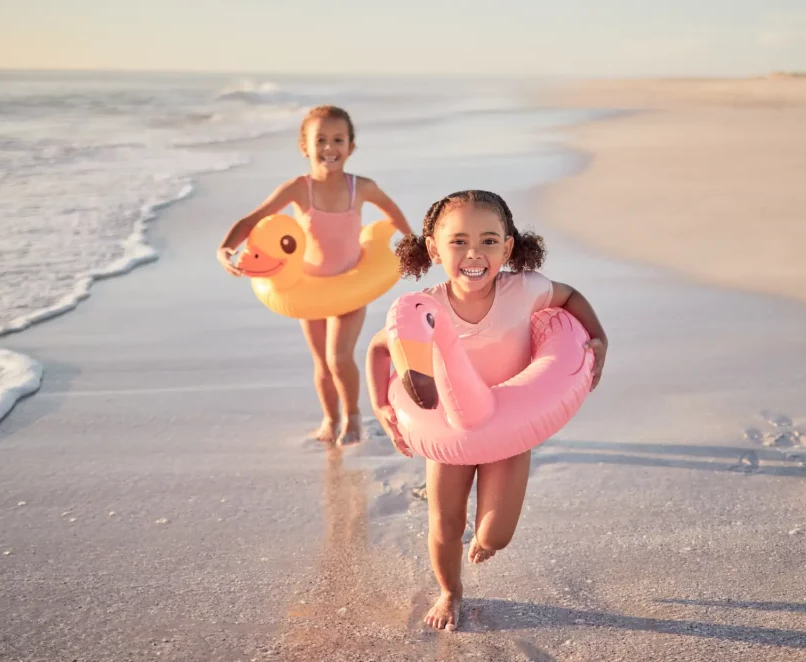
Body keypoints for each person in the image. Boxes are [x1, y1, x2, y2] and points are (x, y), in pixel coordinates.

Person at [364, 190, 608, 631]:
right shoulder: (424, 309)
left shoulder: (525, 290)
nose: (474, 253)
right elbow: (380, 349)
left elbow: (570, 298)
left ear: (508, 248)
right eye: (458, 241)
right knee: (445, 521)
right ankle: (449, 592)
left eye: (489, 241)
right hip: (448, 431)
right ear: (433, 248)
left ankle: (485, 542)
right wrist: (380, 402)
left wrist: (599, 337)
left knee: (495, 534)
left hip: (512, 427)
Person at [217, 105, 411, 445]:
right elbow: (253, 220)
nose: (329, 147)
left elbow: (391, 210)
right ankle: (329, 418)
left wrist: (413, 242)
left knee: (339, 358)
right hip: (309, 288)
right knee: (321, 362)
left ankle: (352, 419)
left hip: (351, 285)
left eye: (338, 140)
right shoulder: (297, 189)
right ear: (304, 147)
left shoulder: (360, 187)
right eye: (320, 140)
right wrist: (225, 248)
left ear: (351, 147)